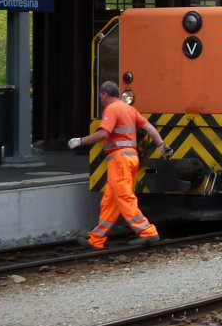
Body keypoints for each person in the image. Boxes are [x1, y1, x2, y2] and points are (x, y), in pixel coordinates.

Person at [68, 80, 171, 249]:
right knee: (110, 199)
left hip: (119, 160)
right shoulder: (130, 109)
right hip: (130, 158)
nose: (101, 100)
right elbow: (149, 128)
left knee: (124, 197)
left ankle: (148, 232)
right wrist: (162, 145)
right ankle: (96, 239)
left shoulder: (112, 109)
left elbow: (103, 133)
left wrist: (81, 141)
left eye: (100, 97)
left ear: (104, 94)